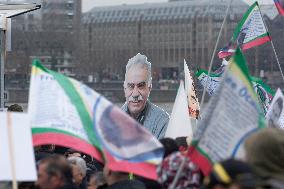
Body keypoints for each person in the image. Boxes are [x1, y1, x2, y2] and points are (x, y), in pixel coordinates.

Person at [121, 53, 169, 139]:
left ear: (149, 87)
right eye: (131, 86)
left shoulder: (162, 122)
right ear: (125, 88)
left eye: (141, 86)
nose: (135, 94)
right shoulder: (111, 121)